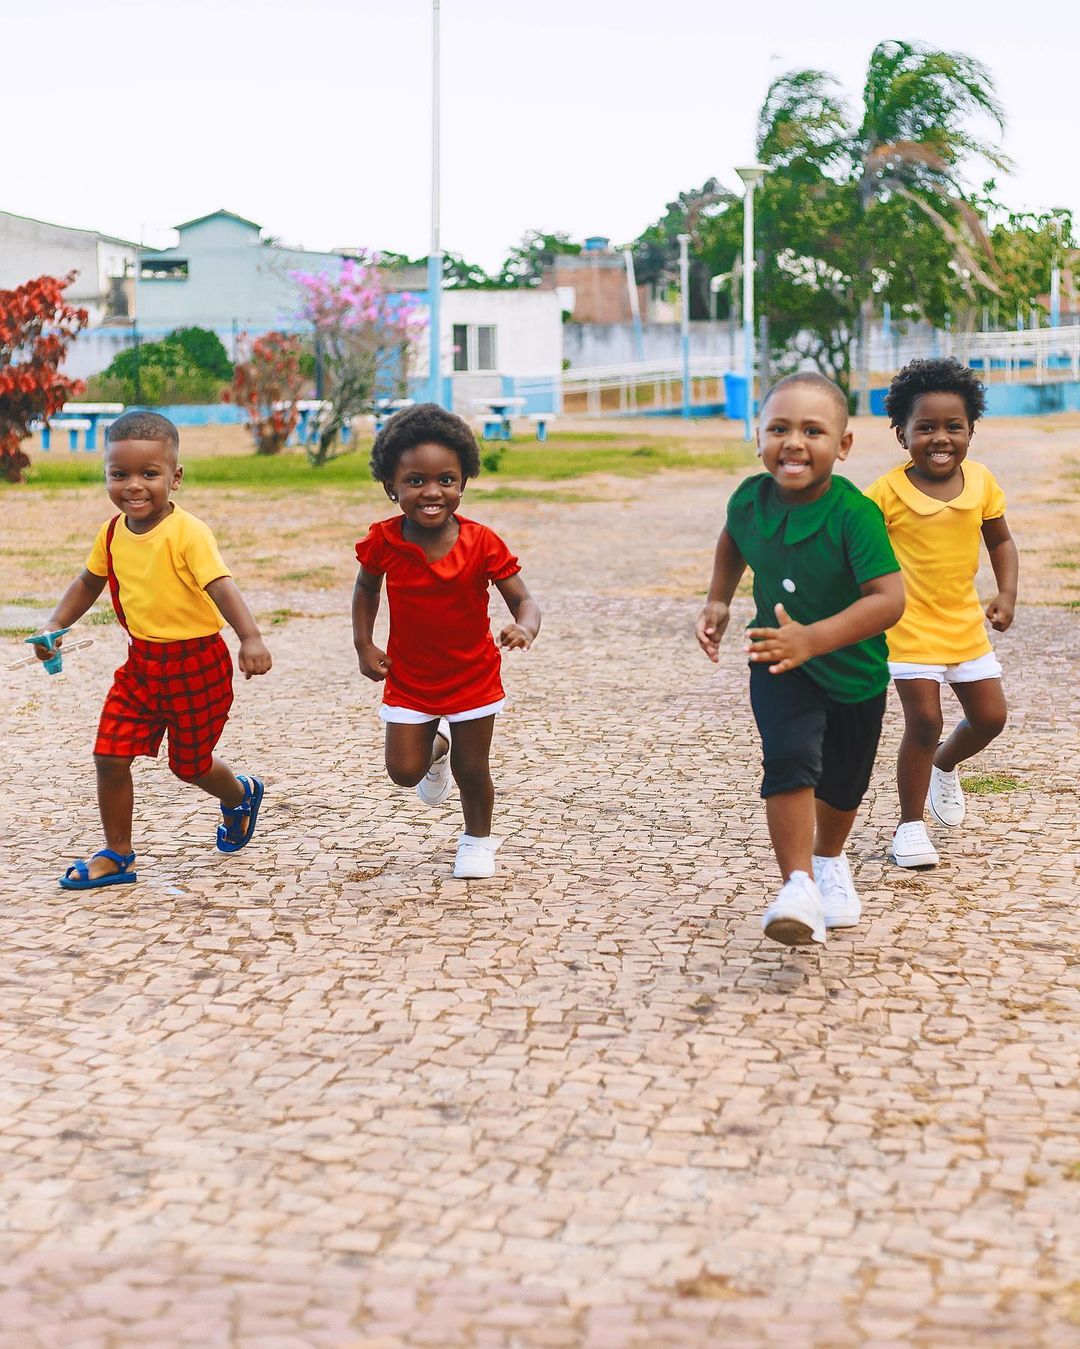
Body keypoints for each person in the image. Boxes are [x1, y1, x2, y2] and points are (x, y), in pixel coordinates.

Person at [696, 372, 905, 947]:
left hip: (855, 675)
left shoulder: (853, 514)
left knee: (843, 786)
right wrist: (719, 597)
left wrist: (814, 638)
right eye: (779, 428)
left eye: (813, 430)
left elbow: (889, 600)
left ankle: (830, 860)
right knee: (788, 759)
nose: (794, 442)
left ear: (842, 446)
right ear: (757, 437)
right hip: (778, 659)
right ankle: (797, 886)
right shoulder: (748, 498)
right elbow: (734, 538)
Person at [36, 411, 272, 890]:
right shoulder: (110, 533)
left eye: (149, 473)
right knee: (109, 753)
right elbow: (88, 581)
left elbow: (221, 586)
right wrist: (56, 625)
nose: (133, 486)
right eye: (119, 474)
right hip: (141, 666)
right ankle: (118, 854)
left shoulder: (188, 533)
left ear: (175, 477)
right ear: (105, 474)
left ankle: (240, 793)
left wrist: (250, 637)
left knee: (190, 765)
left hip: (197, 664)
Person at [352, 403, 541, 879]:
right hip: (411, 677)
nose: (432, 492)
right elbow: (366, 587)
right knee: (403, 772)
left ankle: (477, 841)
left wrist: (525, 628)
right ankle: (435, 748)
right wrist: (364, 644)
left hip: (472, 674)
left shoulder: (482, 542)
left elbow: (525, 601)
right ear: (390, 487)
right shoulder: (383, 541)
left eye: (446, 480)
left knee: (473, 766)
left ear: (463, 482)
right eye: (415, 481)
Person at [866, 358, 1018, 868]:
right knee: (925, 720)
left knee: (990, 717)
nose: (940, 438)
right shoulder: (885, 493)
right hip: (907, 628)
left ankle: (944, 767)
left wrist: (1007, 594)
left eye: (954, 426)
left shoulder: (981, 482)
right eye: (924, 427)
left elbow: (1001, 541)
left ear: (971, 430)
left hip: (963, 625)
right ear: (901, 433)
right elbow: (858, 551)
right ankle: (910, 827)